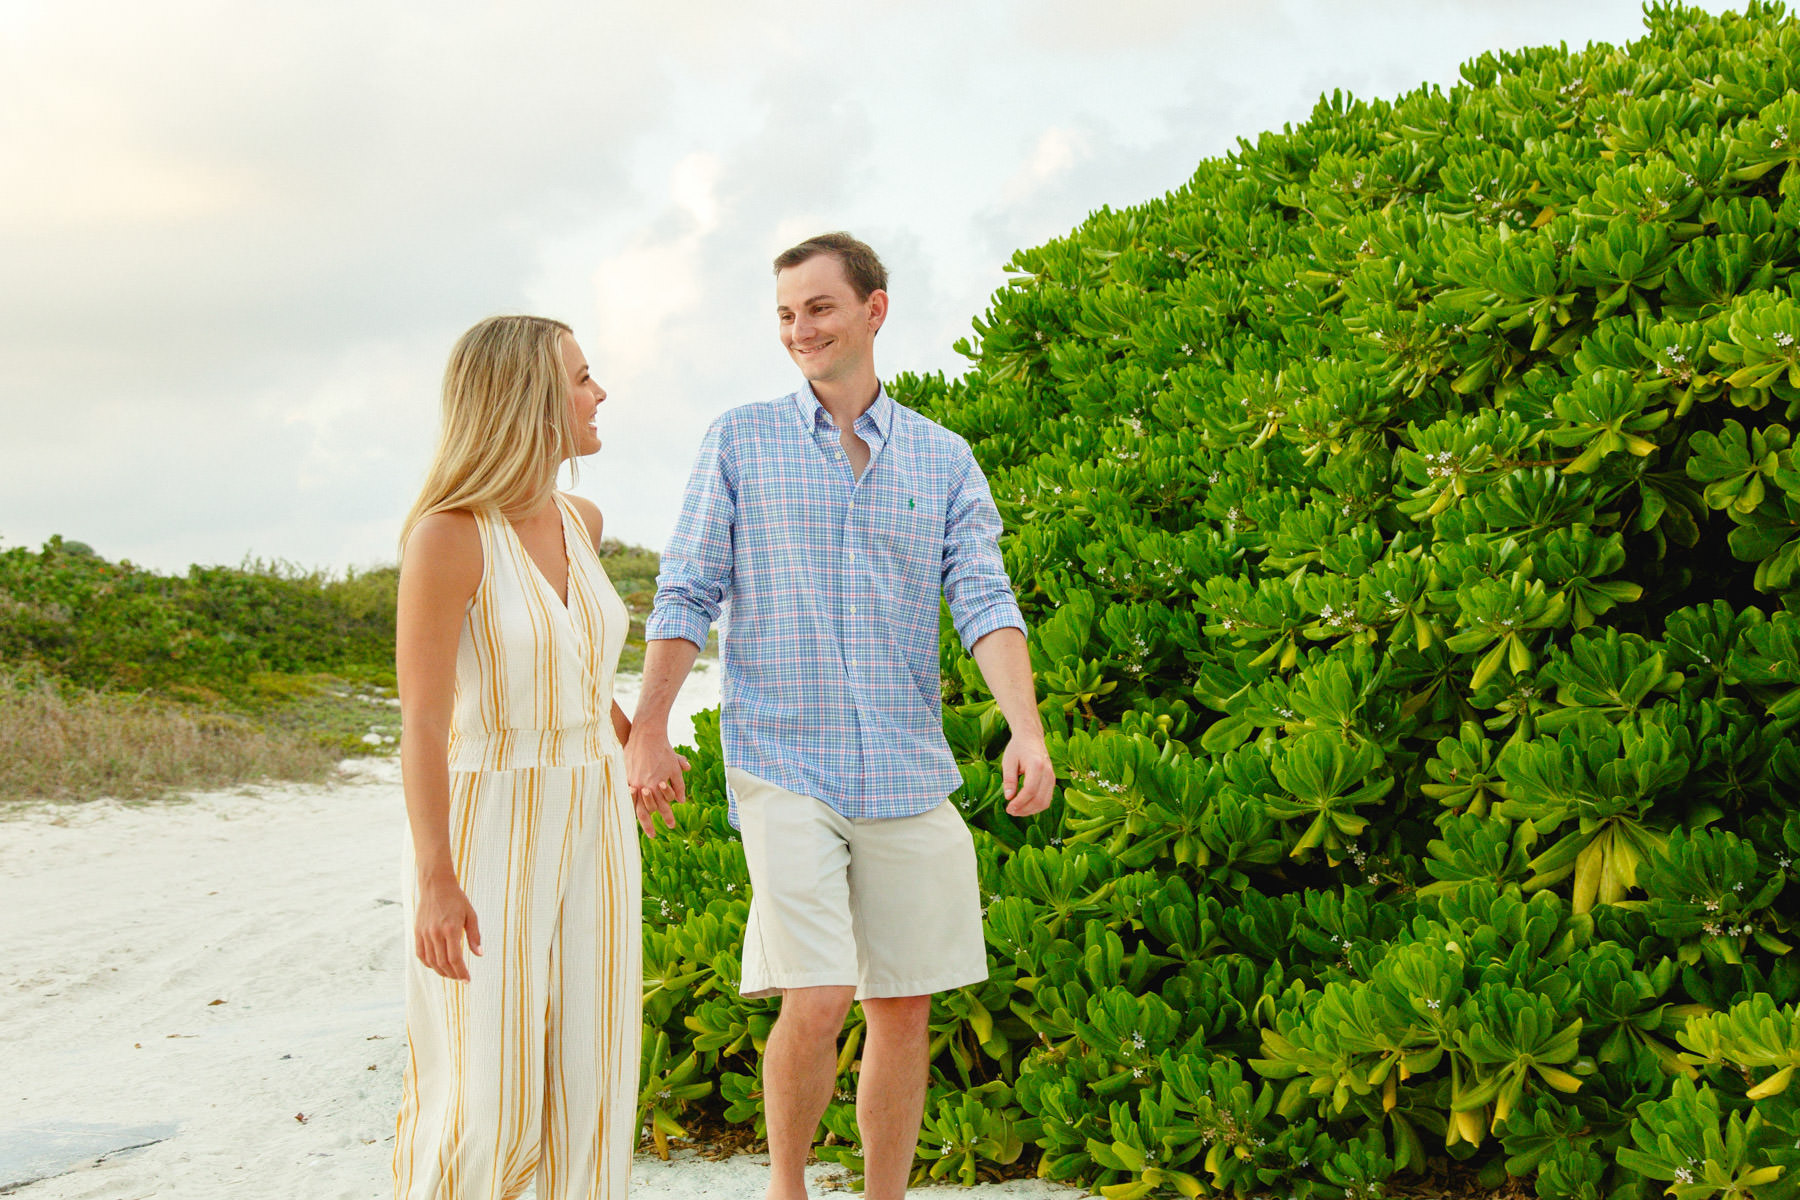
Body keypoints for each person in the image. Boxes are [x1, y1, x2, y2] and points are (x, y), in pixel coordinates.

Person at [626, 233, 1055, 1200]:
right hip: (784, 758)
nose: (798, 330)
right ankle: (786, 1190)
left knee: (904, 1005)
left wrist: (1024, 727)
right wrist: (648, 725)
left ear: (874, 310)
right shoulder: (740, 440)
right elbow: (687, 590)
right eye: (784, 313)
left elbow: (985, 602)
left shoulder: (945, 460)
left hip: (907, 767)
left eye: (817, 308)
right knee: (816, 993)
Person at [391, 315, 673, 1199]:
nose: (599, 394)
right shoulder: (447, 536)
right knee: (489, 1090)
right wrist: (436, 877)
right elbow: (423, 725)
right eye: (583, 378)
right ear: (528, 399)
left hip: (593, 815)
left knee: (592, 1070)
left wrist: (636, 746)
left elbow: (579, 670)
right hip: (487, 825)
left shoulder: (582, 520)